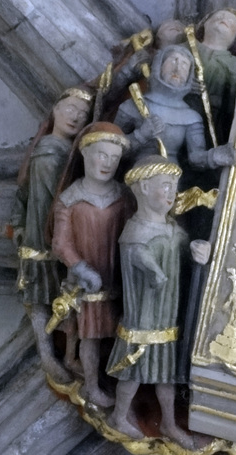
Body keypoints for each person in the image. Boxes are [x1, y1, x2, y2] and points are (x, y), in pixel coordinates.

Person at [105, 155, 211, 448]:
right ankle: (118, 414)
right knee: (134, 370)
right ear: (141, 188)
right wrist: (153, 270)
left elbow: (182, 257)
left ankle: (168, 421)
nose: (171, 193)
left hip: (167, 315)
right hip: (144, 315)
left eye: (174, 187)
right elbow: (137, 255)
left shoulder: (173, 229)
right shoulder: (135, 230)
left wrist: (198, 253)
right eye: (164, 186)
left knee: (166, 373)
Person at [10, 87, 93, 383]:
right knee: (41, 299)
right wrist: (20, 225)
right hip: (40, 237)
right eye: (70, 108)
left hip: (59, 235)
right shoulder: (46, 148)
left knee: (67, 297)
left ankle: (70, 354)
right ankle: (48, 355)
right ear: (55, 111)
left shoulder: (75, 156)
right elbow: (24, 191)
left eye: (83, 115)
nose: (75, 117)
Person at [51, 122, 135, 407]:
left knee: (114, 332)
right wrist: (80, 267)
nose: (107, 164)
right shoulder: (70, 200)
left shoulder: (123, 196)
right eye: (102, 155)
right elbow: (61, 244)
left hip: (116, 275)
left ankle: (108, 380)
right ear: (86, 155)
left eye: (114, 158)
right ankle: (90, 385)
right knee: (91, 336)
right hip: (87, 280)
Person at [114, 44, 235, 238]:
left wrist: (214, 156)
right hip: (138, 178)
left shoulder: (190, 116)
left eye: (185, 64)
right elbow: (112, 150)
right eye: (173, 60)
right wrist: (141, 135)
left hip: (173, 184)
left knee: (173, 234)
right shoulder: (135, 104)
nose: (178, 67)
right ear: (158, 66)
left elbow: (195, 158)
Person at [186, 8, 236, 145]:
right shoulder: (184, 47)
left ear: (235, 38)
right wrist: (183, 85)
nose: (224, 19)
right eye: (219, 16)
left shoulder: (233, 65)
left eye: (231, 22)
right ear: (204, 24)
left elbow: (235, 105)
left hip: (211, 123)